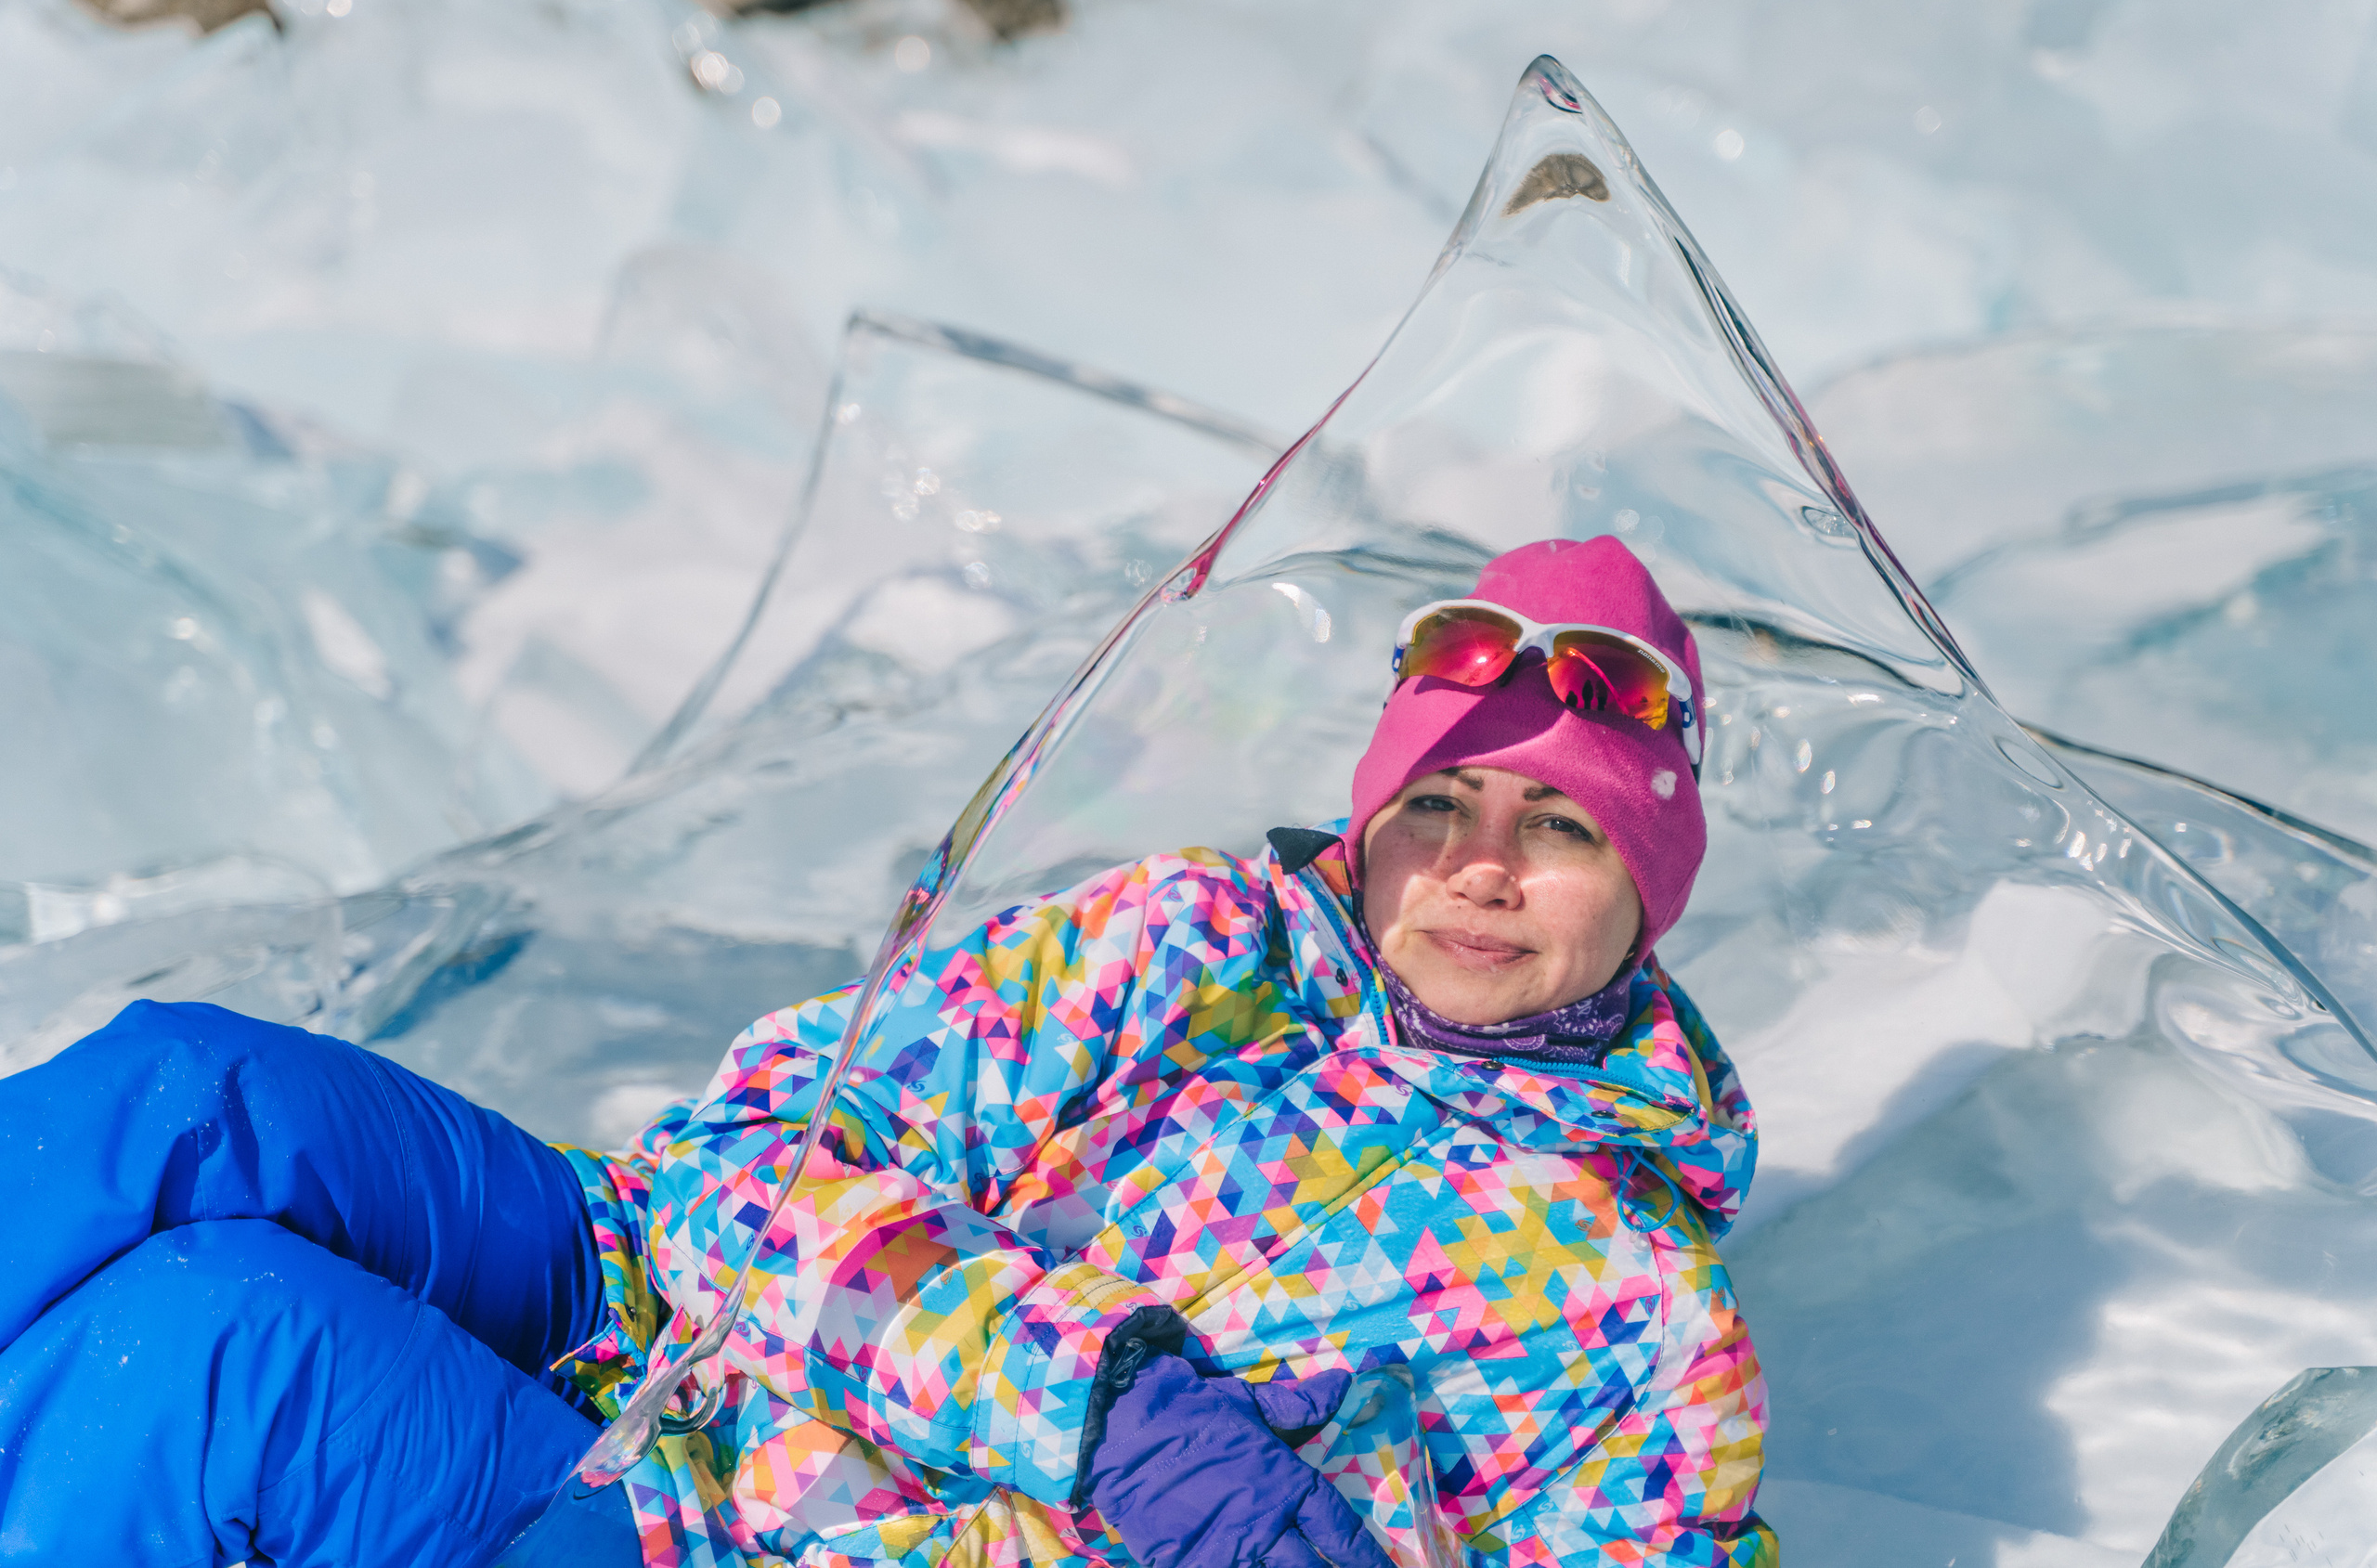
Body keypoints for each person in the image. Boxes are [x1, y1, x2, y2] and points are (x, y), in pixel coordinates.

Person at [0, 537, 1773, 1567]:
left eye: (1560, 826)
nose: (1476, 867)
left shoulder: (1640, 1324)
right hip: (652, 1305)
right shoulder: (1195, 943)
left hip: (758, 1538)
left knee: (225, 1342)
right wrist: (1105, 1409)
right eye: (1443, 799)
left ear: (1650, 879)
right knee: (204, 1090)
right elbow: (752, 1154)